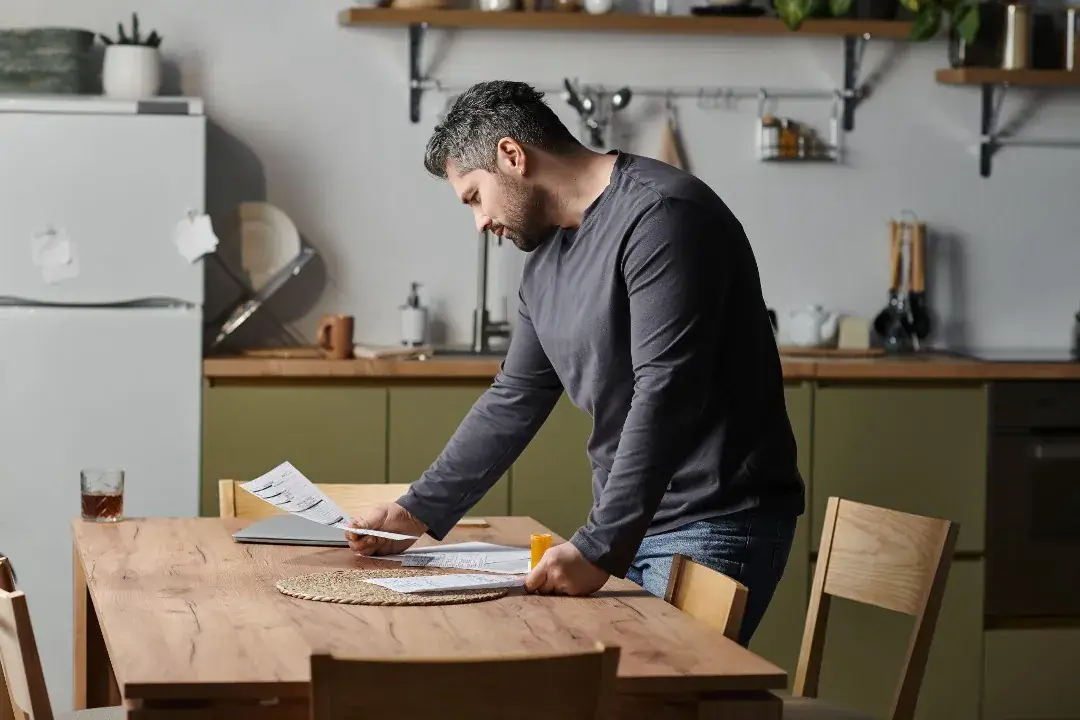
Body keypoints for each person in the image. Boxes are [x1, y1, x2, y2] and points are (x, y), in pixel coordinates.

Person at [347, 80, 805, 646]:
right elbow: (514, 397)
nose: (480, 222)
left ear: (512, 156)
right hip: (630, 522)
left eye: (474, 197)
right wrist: (414, 512)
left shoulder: (662, 217)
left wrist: (599, 545)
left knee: (659, 686)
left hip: (710, 522)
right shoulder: (546, 258)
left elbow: (664, 392)